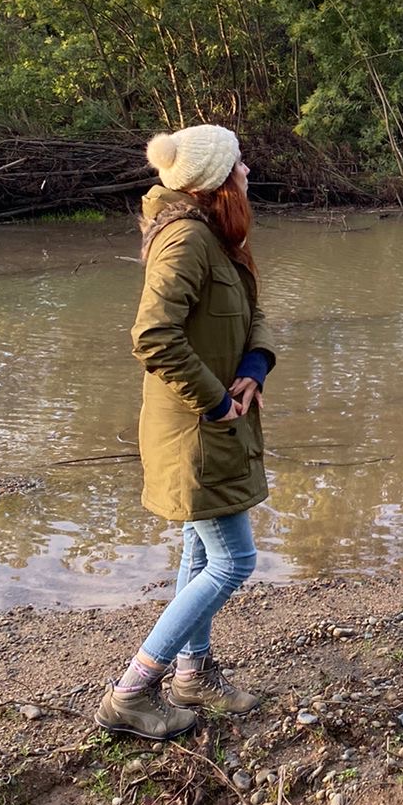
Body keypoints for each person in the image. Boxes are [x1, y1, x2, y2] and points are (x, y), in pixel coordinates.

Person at [95, 123, 276, 740]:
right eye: (239, 164)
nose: (248, 172)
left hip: (217, 426)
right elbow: (153, 335)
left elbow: (254, 313)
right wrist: (217, 404)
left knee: (201, 553)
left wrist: (254, 366)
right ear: (215, 180)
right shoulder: (185, 241)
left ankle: (192, 674)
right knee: (235, 561)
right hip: (196, 432)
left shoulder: (219, 238)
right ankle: (132, 690)